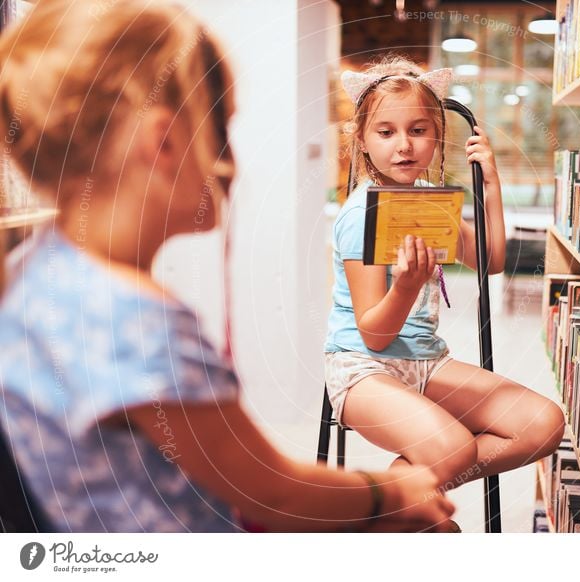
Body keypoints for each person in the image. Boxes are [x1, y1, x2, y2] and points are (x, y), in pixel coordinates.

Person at [0, 0, 453, 533]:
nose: (231, 156)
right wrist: (390, 491)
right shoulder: (138, 325)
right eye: (221, 128)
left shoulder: (36, 272)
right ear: (165, 142)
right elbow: (273, 493)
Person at [324, 56, 566, 503]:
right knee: (454, 450)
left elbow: (491, 260)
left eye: (418, 130)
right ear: (361, 139)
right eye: (386, 132)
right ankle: (392, 512)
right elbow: (374, 335)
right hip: (363, 370)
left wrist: (490, 186)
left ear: (436, 136)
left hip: (427, 364)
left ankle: (404, 505)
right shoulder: (362, 214)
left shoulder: (428, 202)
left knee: (544, 423)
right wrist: (406, 286)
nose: (404, 145)